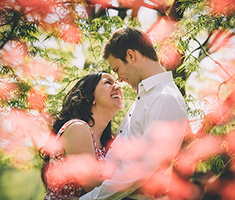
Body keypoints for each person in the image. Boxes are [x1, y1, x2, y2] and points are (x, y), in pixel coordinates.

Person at [80, 27, 189, 200]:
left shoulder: (165, 99)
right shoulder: (146, 98)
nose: (120, 78)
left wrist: (89, 199)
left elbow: (141, 167)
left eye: (116, 69)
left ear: (131, 56)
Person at [41, 72, 123, 200]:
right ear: (90, 98)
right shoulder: (77, 128)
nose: (118, 87)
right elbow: (95, 186)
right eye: (108, 82)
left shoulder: (109, 143)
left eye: (117, 83)